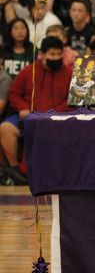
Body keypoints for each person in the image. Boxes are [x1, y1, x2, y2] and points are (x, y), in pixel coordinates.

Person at [0, 37, 73, 184]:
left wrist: (53, 112)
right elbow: (14, 93)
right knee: (5, 128)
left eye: (59, 54)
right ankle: (16, 172)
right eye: (52, 54)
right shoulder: (29, 71)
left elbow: (73, 99)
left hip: (56, 118)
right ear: (43, 54)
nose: (56, 58)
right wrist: (23, 107)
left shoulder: (69, 73)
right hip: (28, 116)